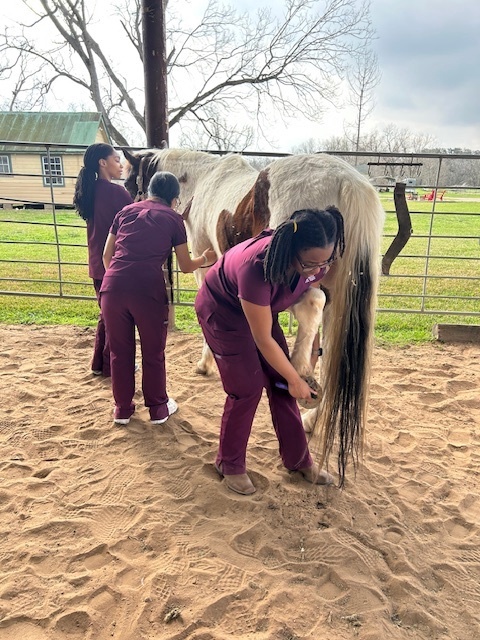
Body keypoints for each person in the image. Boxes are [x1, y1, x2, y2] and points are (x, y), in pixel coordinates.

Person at [195, 207, 345, 495]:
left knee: (281, 383)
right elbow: (263, 339)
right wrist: (295, 379)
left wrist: (305, 363)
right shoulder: (258, 267)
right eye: (311, 263)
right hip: (223, 312)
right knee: (246, 387)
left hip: (261, 311)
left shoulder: (316, 263)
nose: (318, 270)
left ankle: (299, 459)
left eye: (324, 262)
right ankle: (229, 464)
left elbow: (309, 302)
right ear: (291, 249)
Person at [101, 171, 217, 426]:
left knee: (120, 352)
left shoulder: (125, 212)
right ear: (175, 199)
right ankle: (157, 409)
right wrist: (206, 258)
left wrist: (119, 278)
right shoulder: (173, 219)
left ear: (149, 191)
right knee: (153, 352)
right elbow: (186, 265)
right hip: (147, 290)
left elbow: (106, 256)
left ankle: (121, 410)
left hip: (112, 288)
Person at [73, 143, 133, 377]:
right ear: (102, 163)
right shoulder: (116, 193)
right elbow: (138, 216)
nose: (120, 165)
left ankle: (99, 363)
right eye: (116, 160)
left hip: (96, 263)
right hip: (116, 264)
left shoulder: (89, 191)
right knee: (117, 319)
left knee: (106, 314)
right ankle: (111, 365)